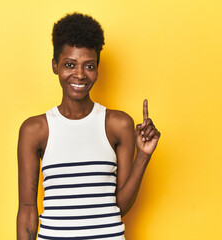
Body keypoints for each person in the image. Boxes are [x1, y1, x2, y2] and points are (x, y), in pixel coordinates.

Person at [16, 12, 160, 240]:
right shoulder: (35, 130)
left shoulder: (118, 124)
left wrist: (143, 156)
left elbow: (118, 207)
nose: (80, 74)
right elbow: (27, 209)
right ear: (55, 65)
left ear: (98, 68)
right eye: (70, 64)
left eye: (89, 66)